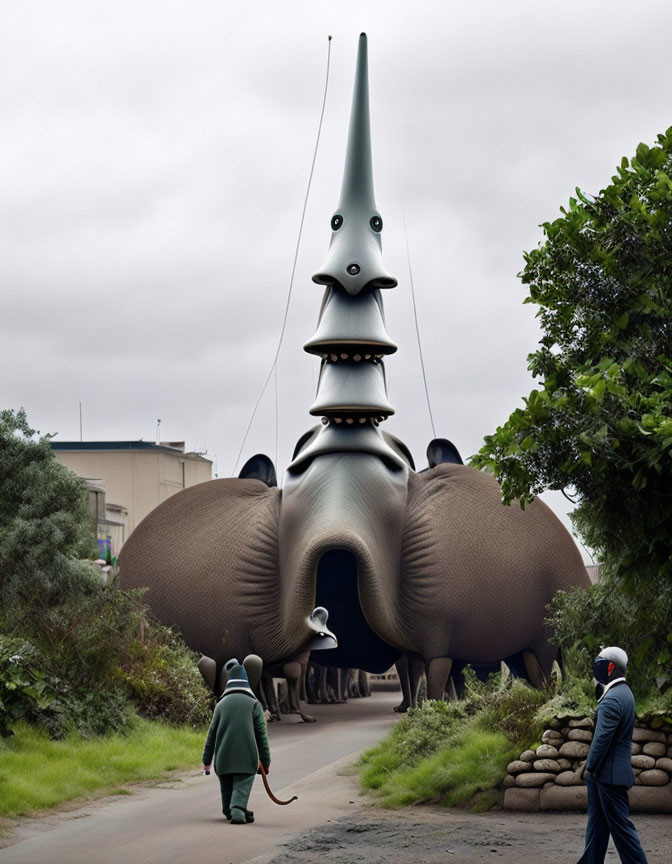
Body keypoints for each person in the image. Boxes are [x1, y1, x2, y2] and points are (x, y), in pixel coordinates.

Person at [577, 646, 648, 864]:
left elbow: (601, 740)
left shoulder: (611, 700)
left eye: (598, 664)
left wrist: (589, 768)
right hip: (607, 775)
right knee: (597, 828)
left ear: (609, 667)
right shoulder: (625, 694)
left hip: (607, 776)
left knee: (622, 832)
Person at [202, 658, 271, 824]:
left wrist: (206, 761)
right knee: (242, 783)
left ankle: (230, 810)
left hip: (223, 759)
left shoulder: (221, 705)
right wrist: (265, 761)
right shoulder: (254, 704)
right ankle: (238, 810)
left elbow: (211, 735)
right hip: (246, 759)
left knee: (227, 786)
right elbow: (262, 736)